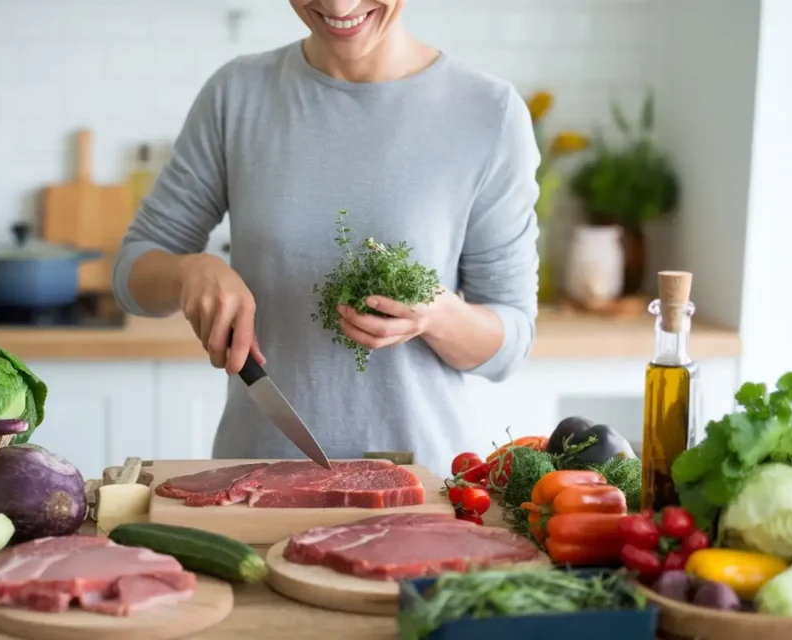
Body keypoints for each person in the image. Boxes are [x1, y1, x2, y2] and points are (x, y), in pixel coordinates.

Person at [113, 0, 540, 473]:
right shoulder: (236, 94)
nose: (339, 6)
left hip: (421, 489)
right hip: (254, 481)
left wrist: (435, 314)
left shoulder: (488, 113)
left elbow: (511, 342)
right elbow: (133, 271)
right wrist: (187, 272)